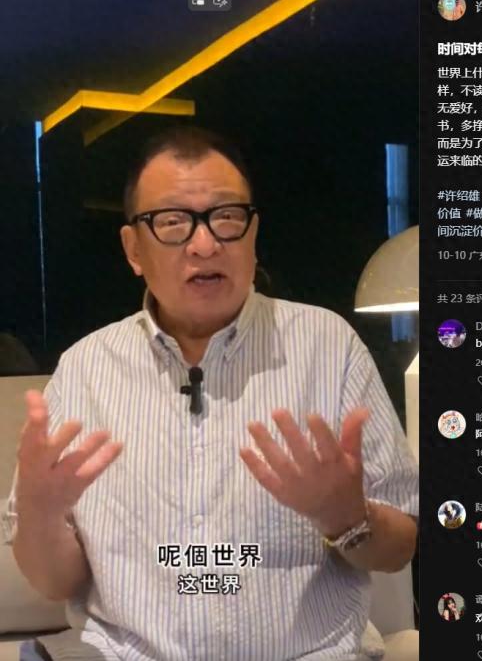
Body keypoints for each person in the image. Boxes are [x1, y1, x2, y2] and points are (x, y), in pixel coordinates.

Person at [2, 126, 419, 660]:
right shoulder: (86, 370)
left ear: (252, 234)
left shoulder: (328, 346)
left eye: (226, 217)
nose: (205, 243)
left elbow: (398, 548)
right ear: (133, 249)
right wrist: (39, 517)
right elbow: (56, 582)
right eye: (172, 222)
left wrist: (349, 518)